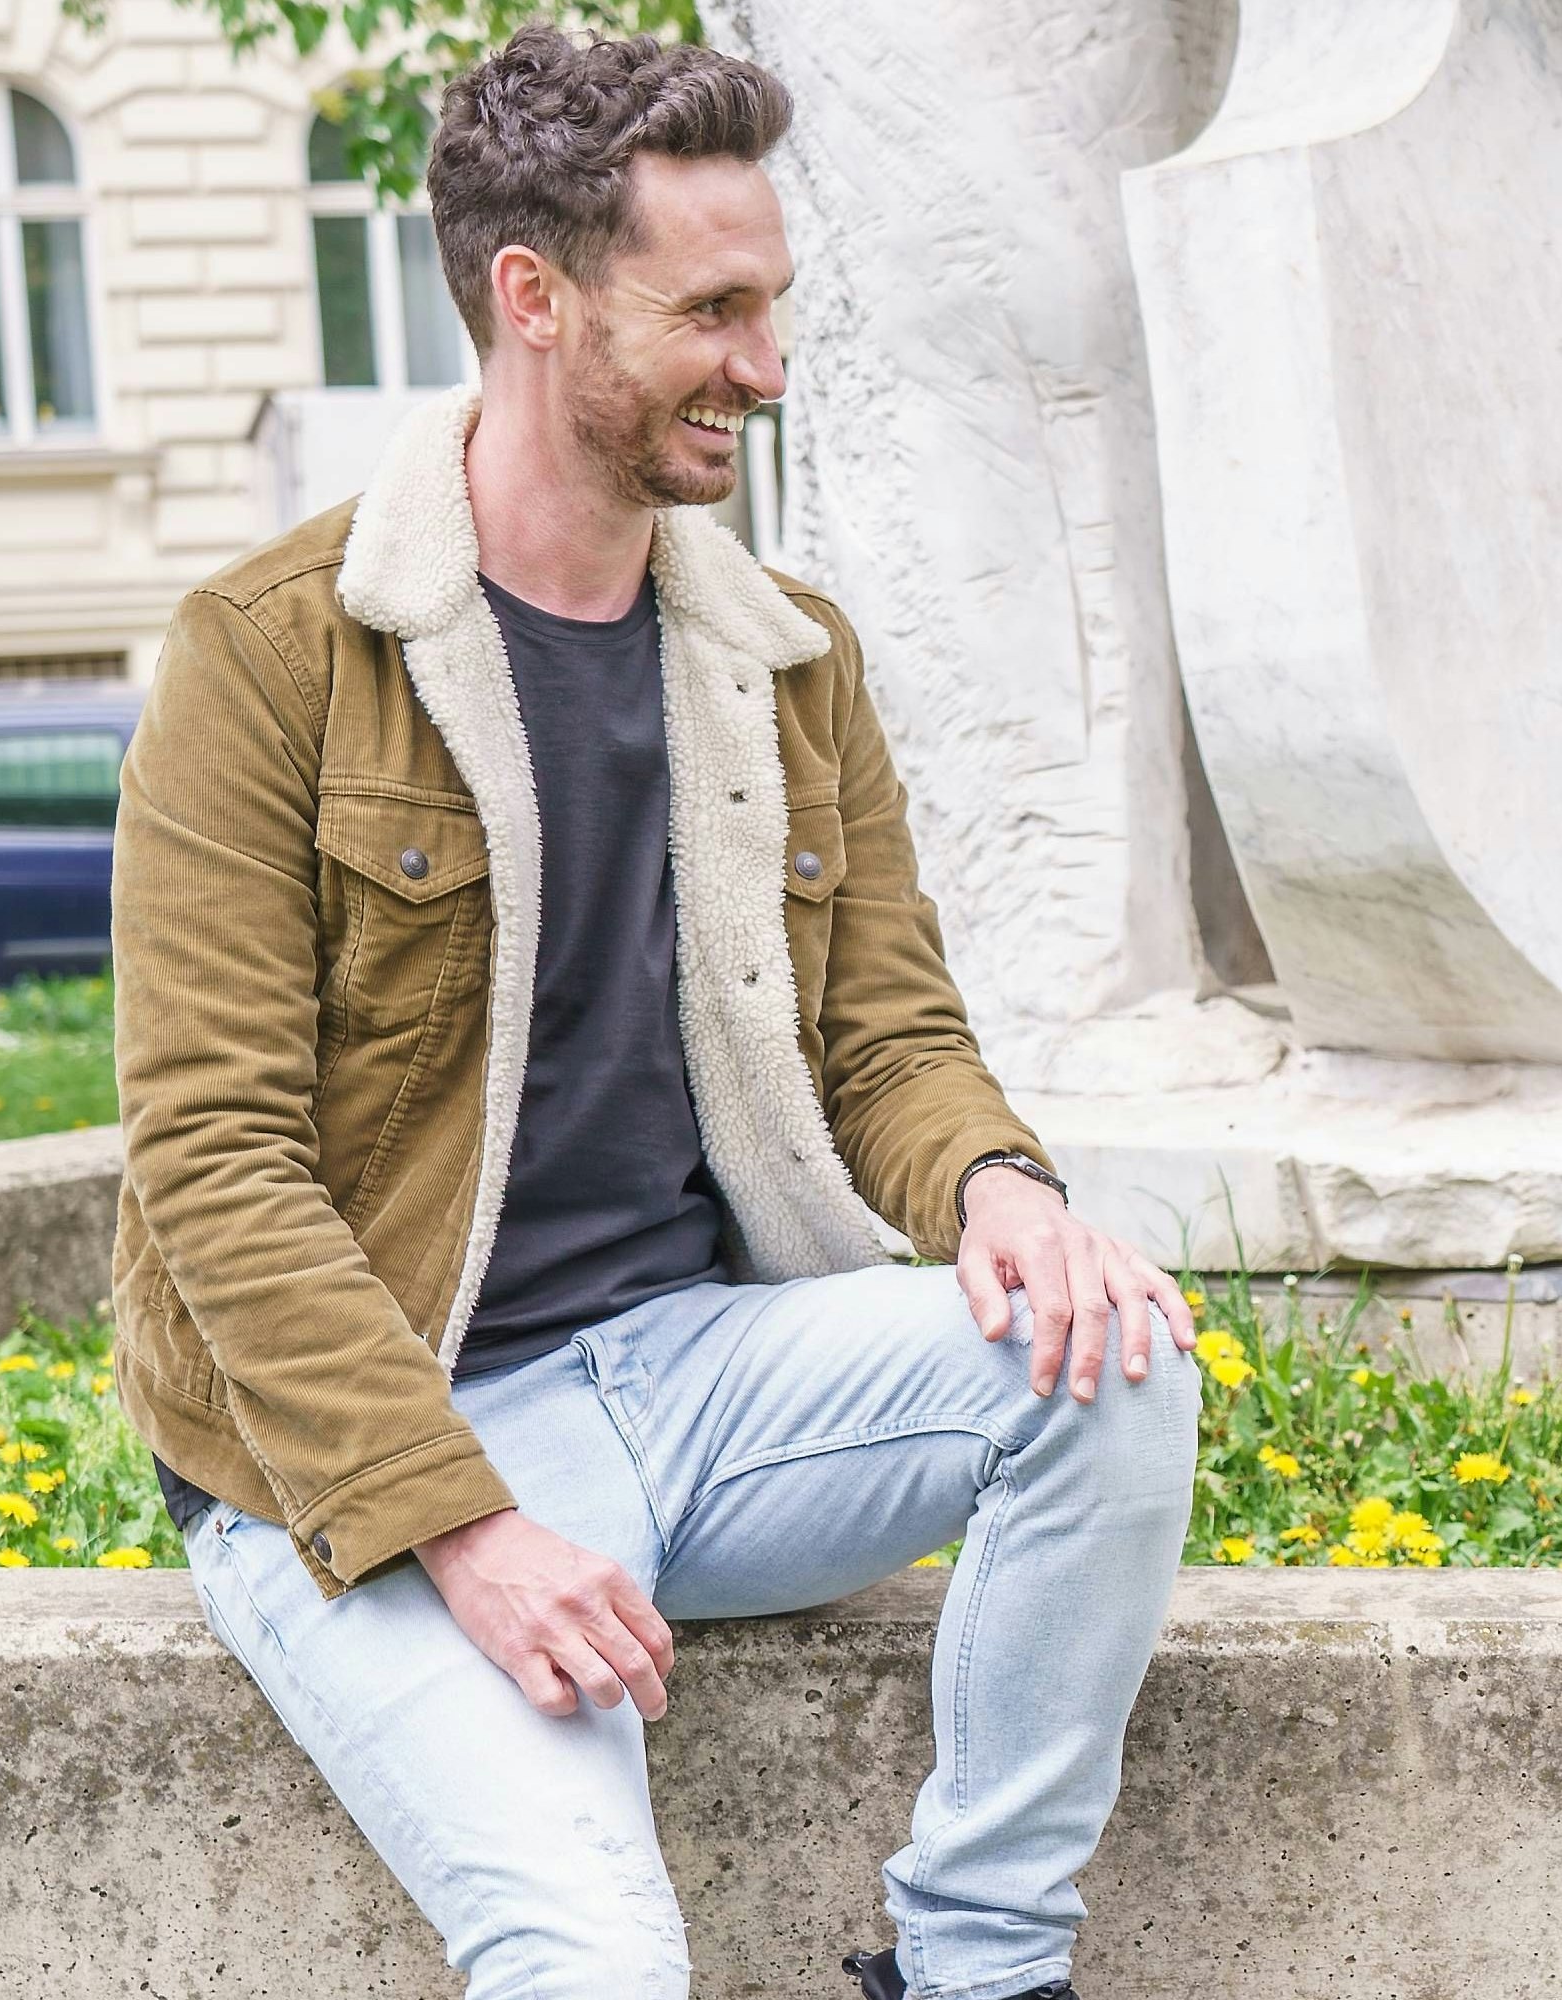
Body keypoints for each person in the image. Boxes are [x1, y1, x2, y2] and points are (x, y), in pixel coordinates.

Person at [108, 30, 1198, 2000]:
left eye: (770, 305)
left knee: (1104, 1358)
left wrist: (1001, 1196)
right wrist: (460, 1525)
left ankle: (973, 1966)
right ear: (534, 299)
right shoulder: (270, 657)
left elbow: (887, 1037)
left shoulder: (787, 656)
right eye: (712, 313)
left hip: (699, 1373)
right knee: (592, 1959)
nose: (765, 366)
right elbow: (215, 1165)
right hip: (378, 1439)